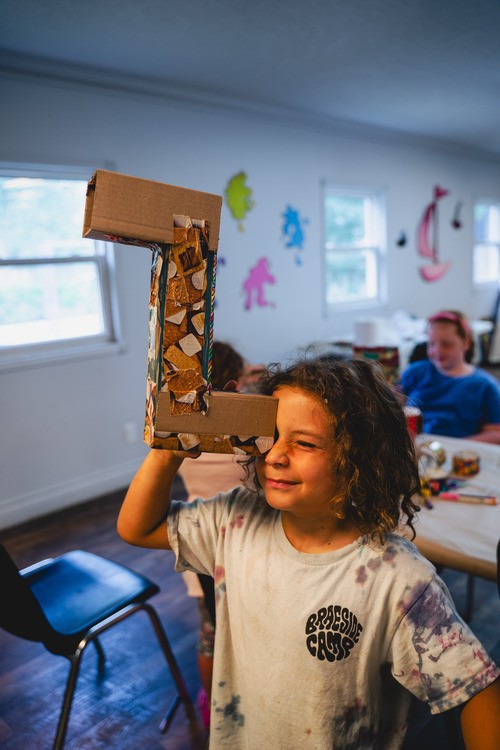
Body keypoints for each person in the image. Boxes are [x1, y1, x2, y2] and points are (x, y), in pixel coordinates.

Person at [117, 354, 500, 749]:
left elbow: (476, 687)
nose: (275, 456)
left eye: (304, 443)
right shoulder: (234, 520)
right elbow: (137, 528)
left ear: (359, 458)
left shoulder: (399, 579)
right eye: (269, 436)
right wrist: (169, 449)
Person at [177, 340, 247, 726]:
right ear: (235, 384)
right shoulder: (244, 439)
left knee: (210, 635)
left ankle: (211, 708)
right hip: (242, 546)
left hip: (200, 545)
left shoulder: (183, 435)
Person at [401, 310, 500, 443]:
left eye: (447, 344)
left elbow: (495, 432)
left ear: (465, 343)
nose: (437, 350)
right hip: (415, 446)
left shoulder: (486, 386)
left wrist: (454, 446)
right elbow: (395, 407)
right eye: (432, 344)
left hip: (459, 450)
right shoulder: (414, 372)